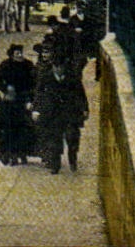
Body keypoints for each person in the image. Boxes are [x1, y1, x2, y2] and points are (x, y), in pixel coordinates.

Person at [33, 30, 89, 173]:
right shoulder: (46, 77)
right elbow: (39, 93)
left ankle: (72, 158)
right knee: (54, 139)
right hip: (53, 113)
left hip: (70, 112)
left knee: (72, 137)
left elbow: (80, 94)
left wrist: (84, 109)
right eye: (56, 67)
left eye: (60, 67)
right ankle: (55, 164)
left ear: (64, 66)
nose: (58, 70)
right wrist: (36, 109)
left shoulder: (72, 77)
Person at [0, 44, 36, 165]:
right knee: (8, 127)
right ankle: (9, 154)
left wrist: (30, 98)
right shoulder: (5, 65)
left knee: (23, 128)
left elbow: (34, 82)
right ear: (11, 54)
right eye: (17, 53)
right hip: (10, 101)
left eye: (20, 52)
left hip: (23, 100)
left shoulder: (28, 65)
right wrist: (6, 89)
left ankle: (22, 153)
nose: (19, 55)